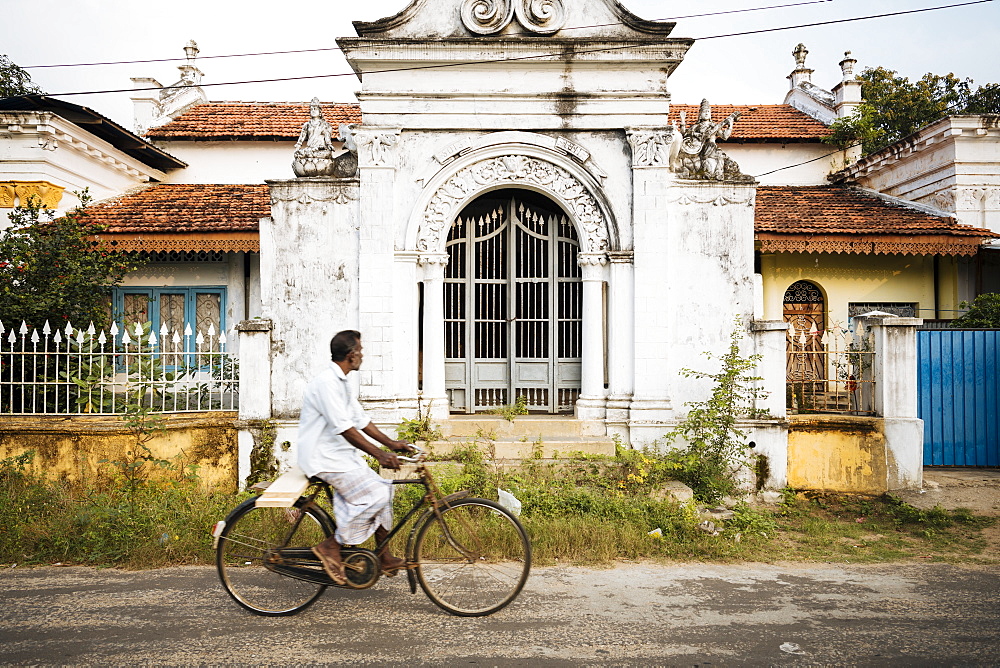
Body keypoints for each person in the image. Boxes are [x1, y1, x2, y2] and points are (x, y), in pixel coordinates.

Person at [296, 330, 415, 585]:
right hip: (323, 459)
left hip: (339, 456)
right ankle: (332, 545)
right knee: (378, 494)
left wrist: (392, 444)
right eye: (360, 351)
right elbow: (345, 428)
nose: (362, 355)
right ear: (351, 355)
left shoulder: (341, 382)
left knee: (386, 491)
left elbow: (361, 421)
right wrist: (380, 455)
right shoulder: (327, 383)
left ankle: (383, 556)